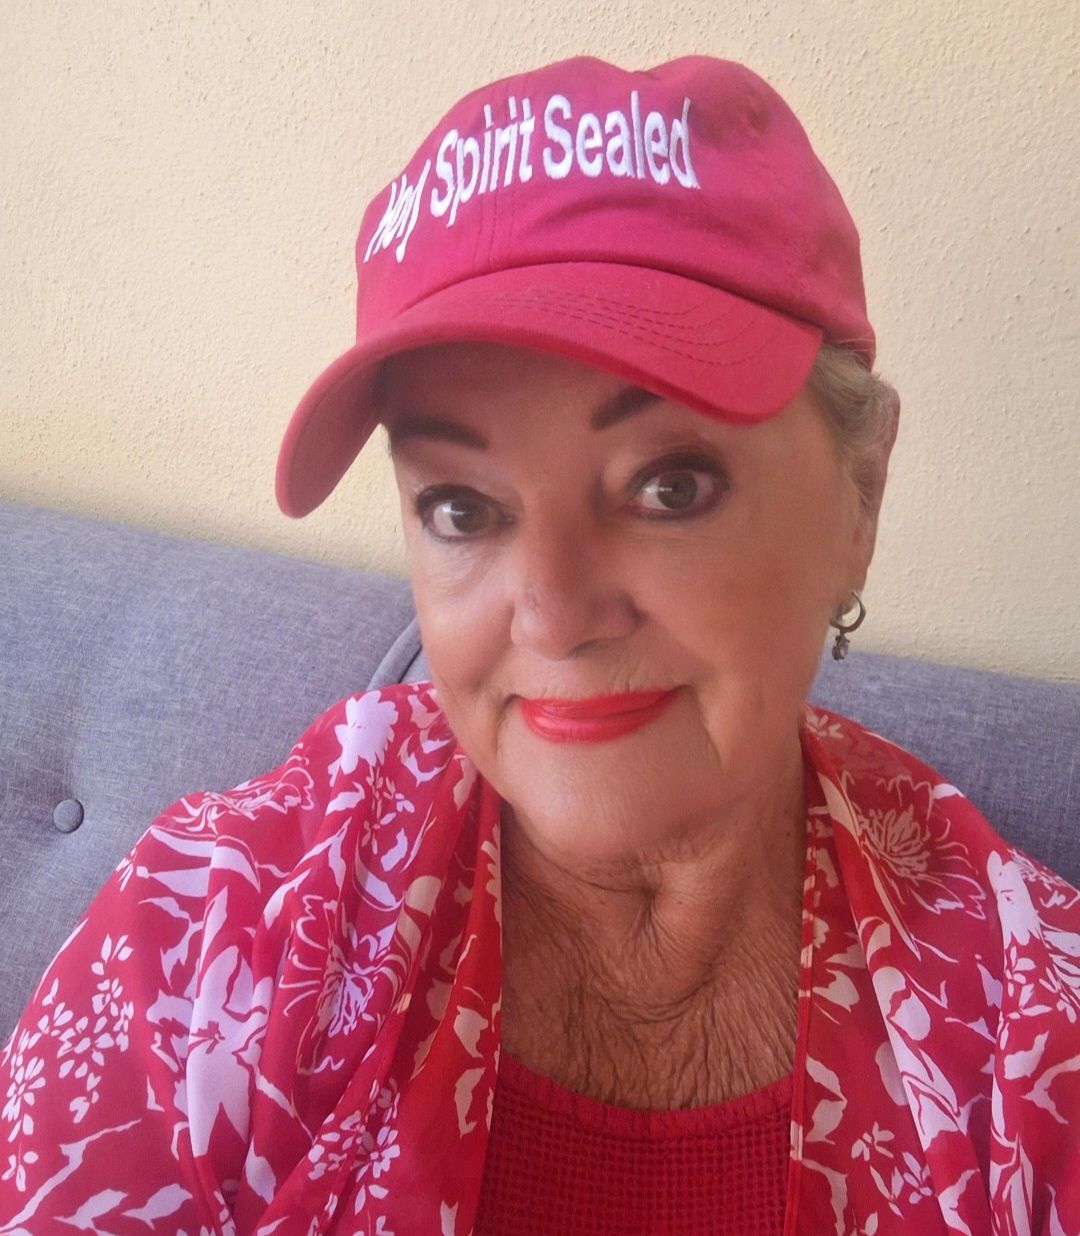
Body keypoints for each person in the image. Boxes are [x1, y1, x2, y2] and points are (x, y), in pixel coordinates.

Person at [1, 52, 1078, 1236]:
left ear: (860, 495)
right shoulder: (208, 937)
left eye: (670, 485)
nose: (554, 617)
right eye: (462, 506)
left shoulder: (1029, 1036)